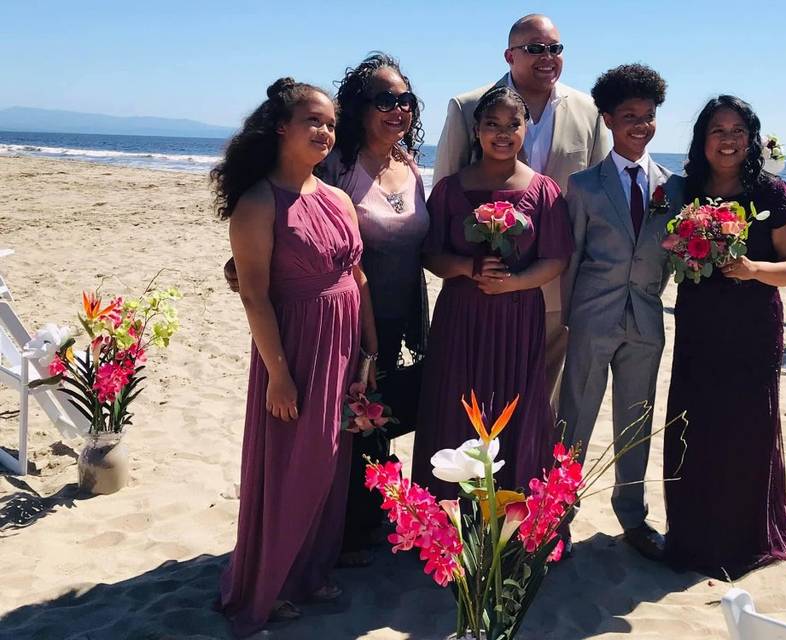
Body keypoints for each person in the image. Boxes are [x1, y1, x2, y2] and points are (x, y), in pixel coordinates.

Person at [214, 77, 376, 636]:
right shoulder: (258, 202)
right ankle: (269, 583)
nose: (325, 131)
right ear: (280, 126)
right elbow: (254, 295)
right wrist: (278, 376)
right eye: (313, 120)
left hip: (343, 345)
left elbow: (357, 276)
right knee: (291, 466)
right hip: (296, 348)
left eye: (331, 123)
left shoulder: (336, 198)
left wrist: (369, 351)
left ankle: (308, 570)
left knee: (330, 463)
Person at [663, 95, 786, 580]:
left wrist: (753, 269)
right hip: (699, 324)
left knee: (745, 429)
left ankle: (740, 535)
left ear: (751, 139)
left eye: (737, 131)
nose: (727, 141)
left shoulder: (772, 193)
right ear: (702, 139)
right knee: (694, 425)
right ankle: (689, 533)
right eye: (717, 131)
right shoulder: (687, 190)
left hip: (751, 327)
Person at [433, 14, 611, 407]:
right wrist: (466, 267)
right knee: (475, 398)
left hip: (557, 285)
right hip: (482, 289)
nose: (546, 57)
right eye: (534, 49)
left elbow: (600, 199)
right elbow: (444, 196)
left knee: (539, 402)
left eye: (554, 49)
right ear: (509, 55)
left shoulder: (589, 111)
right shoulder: (467, 107)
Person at [412, 86, 574, 500]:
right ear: (477, 130)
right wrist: (469, 267)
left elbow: (556, 258)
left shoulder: (543, 191)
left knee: (516, 407)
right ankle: (449, 516)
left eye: (513, 125)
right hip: (461, 317)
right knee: (455, 403)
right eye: (492, 124)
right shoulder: (450, 189)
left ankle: (512, 513)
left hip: (519, 317)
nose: (503, 134)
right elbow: (430, 254)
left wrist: (514, 282)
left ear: (526, 129)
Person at [558, 64, 683, 560]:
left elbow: (673, 258)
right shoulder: (584, 185)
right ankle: (557, 515)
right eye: (629, 115)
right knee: (574, 420)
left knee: (636, 420)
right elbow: (572, 258)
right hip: (591, 318)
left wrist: (650, 294)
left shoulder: (673, 189)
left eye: (648, 116)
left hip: (646, 322)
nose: (640, 124)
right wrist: (565, 319)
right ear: (607, 118)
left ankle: (632, 516)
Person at [323, 52, 430, 567]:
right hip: (347, 323)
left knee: (380, 416)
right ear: (358, 108)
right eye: (385, 99)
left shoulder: (410, 164)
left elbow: (420, 250)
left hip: (402, 318)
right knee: (356, 420)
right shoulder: (335, 167)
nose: (398, 109)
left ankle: (370, 515)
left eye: (405, 99)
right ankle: (346, 530)